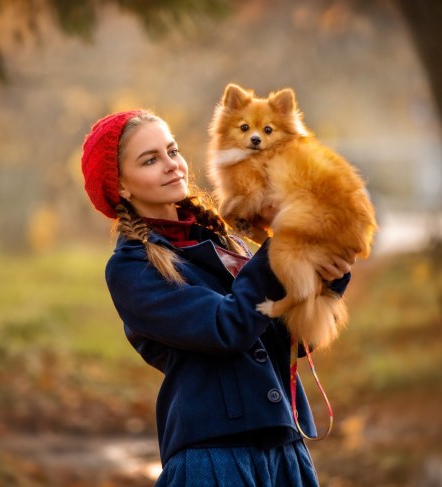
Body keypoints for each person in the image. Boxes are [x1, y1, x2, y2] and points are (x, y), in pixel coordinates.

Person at [80, 109, 354, 486]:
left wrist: (327, 280)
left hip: (283, 447)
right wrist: (278, 252)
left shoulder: (223, 240)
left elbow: (287, 340)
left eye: (172, 151)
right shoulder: (131, 268)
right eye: (150, 160)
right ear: (121, 186)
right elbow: (227, 329)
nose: (171, 165)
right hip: (214, 458)